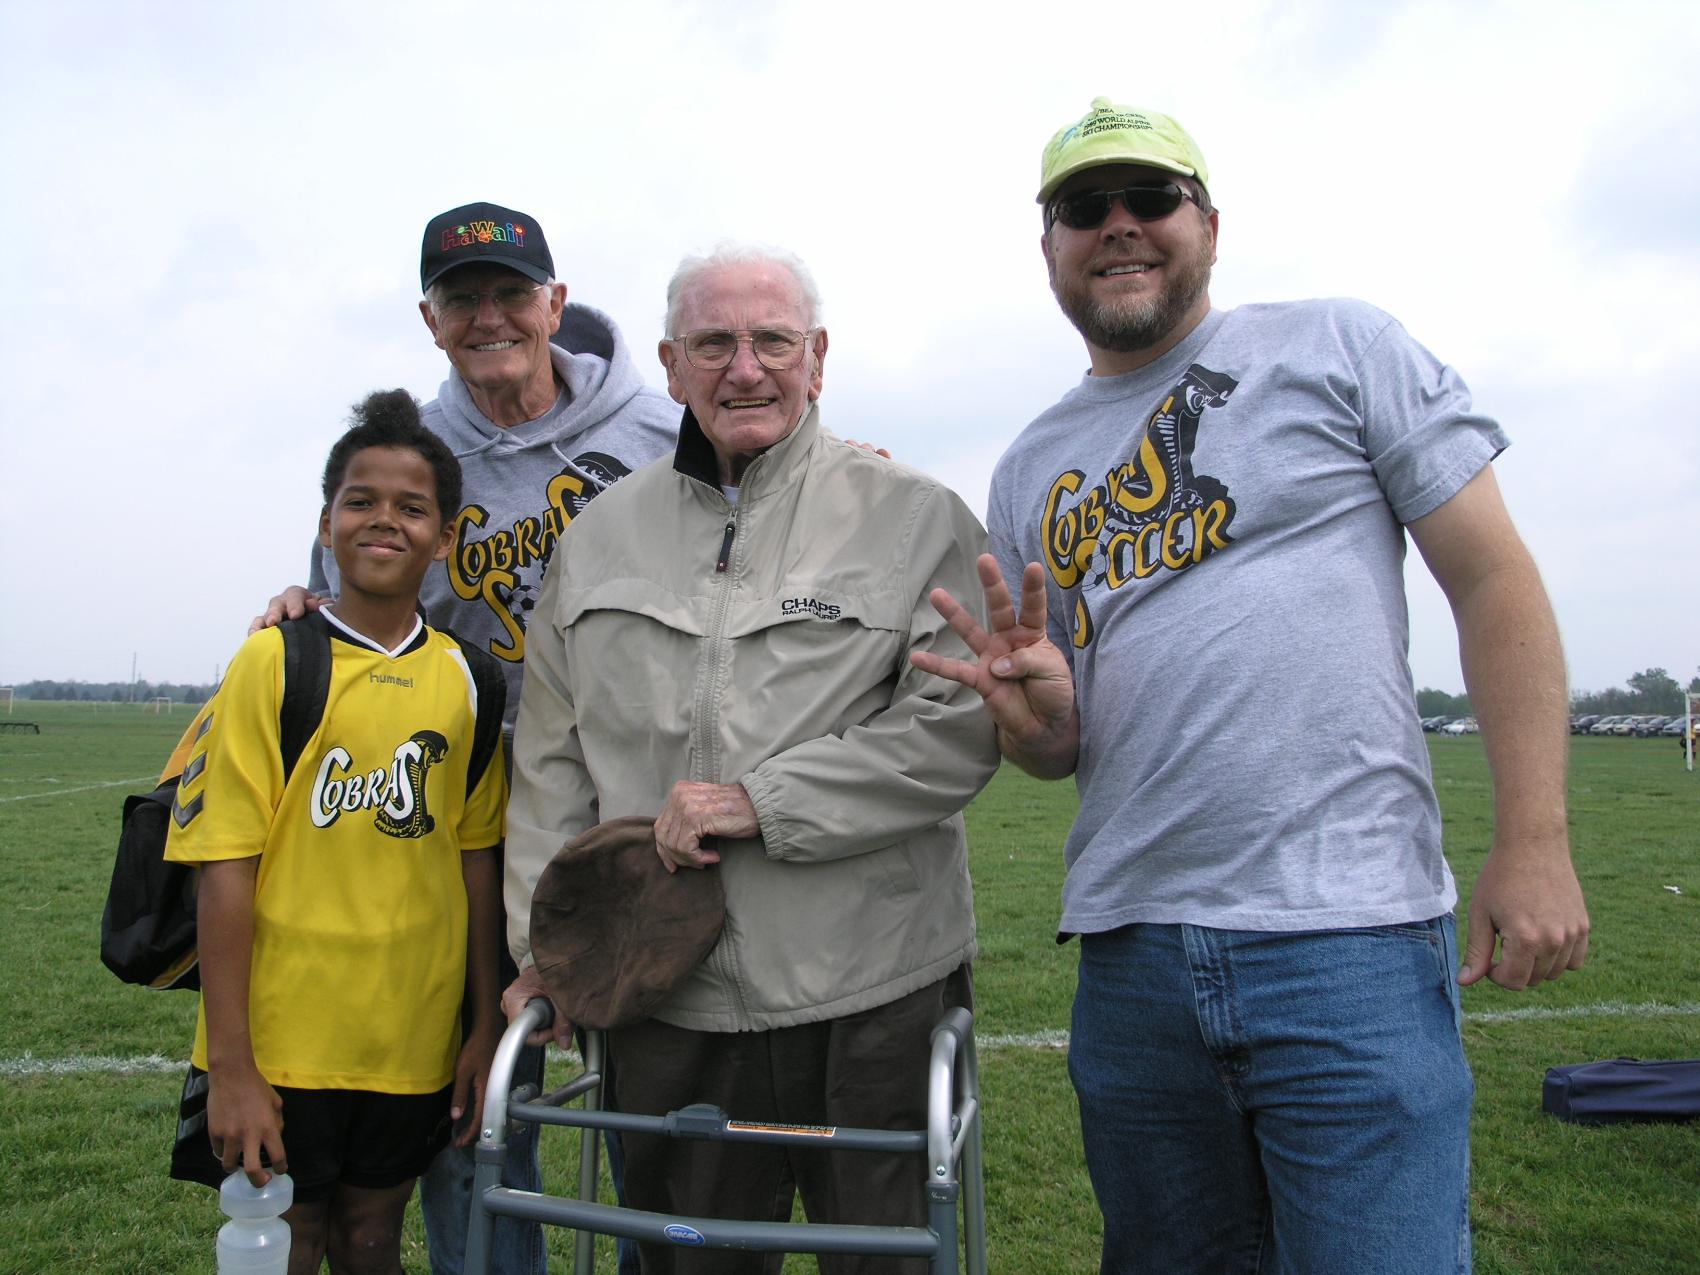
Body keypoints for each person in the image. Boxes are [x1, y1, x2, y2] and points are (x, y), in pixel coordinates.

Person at [912, 99, 1591, 1273]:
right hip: (1130, 957)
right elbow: (1055, 742)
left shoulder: (1337, 346)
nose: (1118, 227)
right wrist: (1035, 721)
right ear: (1049, 250)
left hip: (1350, 939)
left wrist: (1532, 838)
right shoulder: (1029, 463)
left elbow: (1491, 581)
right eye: (1084, 208)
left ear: (1208, 226)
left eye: (1150, 200)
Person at [501, 243, 999, 1274]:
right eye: (713, 343)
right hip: (661, 995)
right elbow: (550, 760)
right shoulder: (595, 538)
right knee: (687, 1264)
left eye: (772, 340)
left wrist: (761, 802)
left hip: (872, 996)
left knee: (888, 1263)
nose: (744, 368)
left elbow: (955, 730)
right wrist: (541, 954)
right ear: (669, 365)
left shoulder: (917, 517)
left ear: (816, 357)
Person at [258, 201, 677, 1275]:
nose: (487, 316)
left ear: (554, 303)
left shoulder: (658, 431)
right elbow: (352, 603)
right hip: (477, 826)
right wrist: (297, 612)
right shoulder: (414, 455)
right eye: (460, 299)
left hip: (647, 812)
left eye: (508, 293)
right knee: (483, 1121)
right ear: (430, 320)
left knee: (658, 1118)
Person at [168, 390, 508, 1275]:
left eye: (411, 506)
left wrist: (480, 1027)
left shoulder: (471, 679)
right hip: (282, 1039)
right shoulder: (274, 660)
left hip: (409, 1035)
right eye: (361, 500)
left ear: (445, 537)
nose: (383, 520)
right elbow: (224, 866)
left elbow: (476, 863)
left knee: (371, 1238)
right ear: (325, 523)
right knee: (287, 1239)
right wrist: (233, 1064)